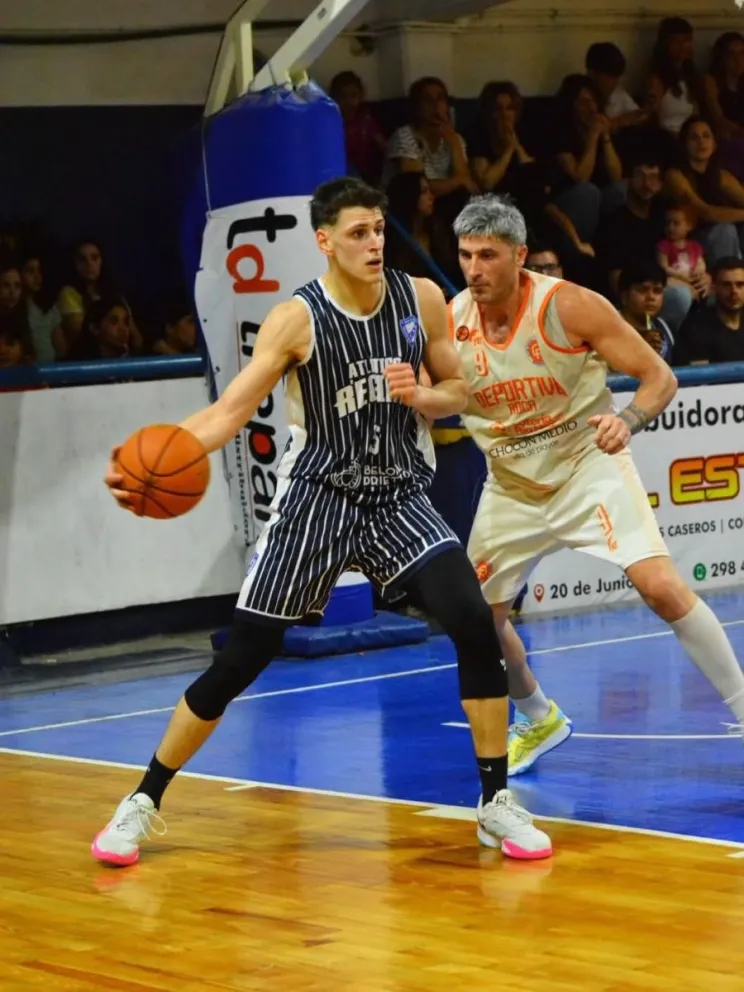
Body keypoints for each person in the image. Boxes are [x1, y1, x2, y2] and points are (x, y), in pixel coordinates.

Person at [92, 177, 551, 866]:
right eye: (358, 232)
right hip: (319, 498)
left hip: (397, 494)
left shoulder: (421, 299)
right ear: (325, 241)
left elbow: (460, 388)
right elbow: (228, 412)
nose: (374, 243)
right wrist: (154, 458)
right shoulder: (295, 320)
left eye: (379, 229)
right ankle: (143, 799)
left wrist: (426, 397)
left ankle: (495, 802)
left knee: (471, 619)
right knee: (242, 659)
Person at [448, 194, 744, 776]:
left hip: (587, 467)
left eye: (488, 255)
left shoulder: (569, 306)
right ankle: (539, 717)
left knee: (660, 588)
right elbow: (440, 396)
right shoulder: (450, 320)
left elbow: (658, 377)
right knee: (477, 622)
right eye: (465, 255)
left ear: (519, 255)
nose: (474, 269)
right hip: (511, 484)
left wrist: (628, 419)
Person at [675, 255, 744, 364]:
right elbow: (699, 373)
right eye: (726, 285)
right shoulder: (696, 328)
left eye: (740, 285)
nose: (734, 291)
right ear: (714, 287)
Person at [617, 260, 676, 364]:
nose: (651, 297)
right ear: (624, 296)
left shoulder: (665, 329)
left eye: (657, 291)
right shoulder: (609, 328)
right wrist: (640, 351)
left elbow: (683, 370)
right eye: (642, 290)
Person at [656, 203, 707, 296]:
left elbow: (700, 263)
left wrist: (699, 269)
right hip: (674, 280)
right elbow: (663, 267)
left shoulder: (694, 246)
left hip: (691, 280)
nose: (671, 228)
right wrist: (680, 276)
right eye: (667, 223)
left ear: (689, 225)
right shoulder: (664, 245)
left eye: (676, 223)